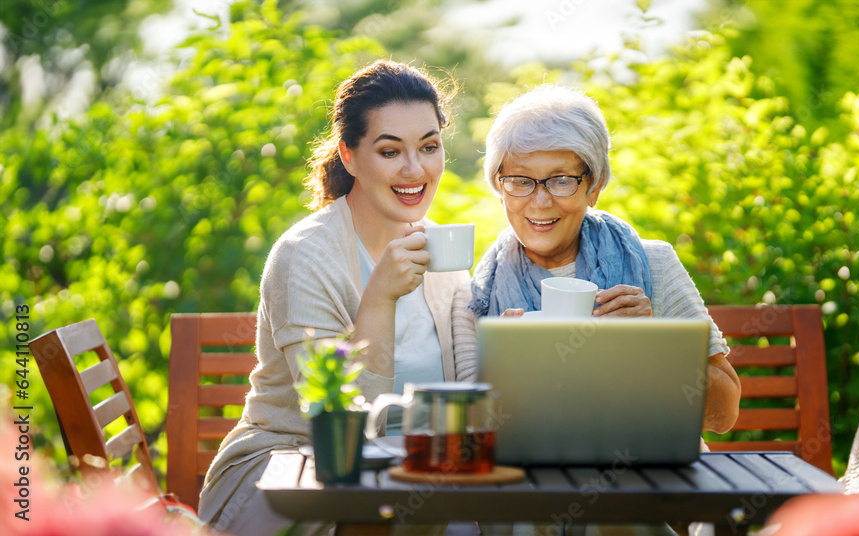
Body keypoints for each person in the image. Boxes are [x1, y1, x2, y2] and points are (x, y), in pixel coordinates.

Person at [198, 60, 477, 536]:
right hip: (292, 472)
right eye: (390, 151)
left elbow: (471, 390)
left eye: (429, 147)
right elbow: (340, 423)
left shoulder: (441, 253)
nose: (416, 169)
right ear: (349, 156)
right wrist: (380, 296)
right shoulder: (305, 256)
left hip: (410, 475)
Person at [458, 84, 741, 435]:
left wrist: (652, 344)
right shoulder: (479, 294)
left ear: (594, 186)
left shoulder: (654, 264)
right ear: (500, 188)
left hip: (653, 480)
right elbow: (470, 432)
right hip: (540, 482)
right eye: (520, 181)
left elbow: (723, 415)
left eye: (561, 181)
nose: (540, 202)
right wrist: (508, 369)